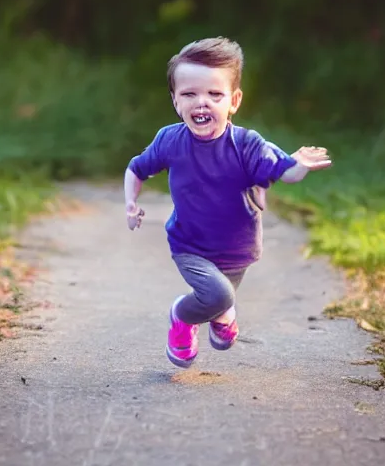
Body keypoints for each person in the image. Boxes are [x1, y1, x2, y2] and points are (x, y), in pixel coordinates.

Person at [123, 37, 331, 368]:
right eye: (189, 94)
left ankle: (222, 313)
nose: (201, 103)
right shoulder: (170, 140)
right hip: (188, 244)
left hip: (238, 249)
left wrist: (298, 165)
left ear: (233, 100)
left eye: (214, 94)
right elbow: (137, 168)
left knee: (221, 302)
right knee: (218, 295)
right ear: (176, 101)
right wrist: (131, 203)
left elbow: (284, 171)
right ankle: (181, 315)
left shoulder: (248, 145)